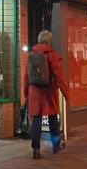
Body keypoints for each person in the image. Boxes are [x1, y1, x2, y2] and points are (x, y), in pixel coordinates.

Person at [24, 30, 69, 159]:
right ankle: (55, 146)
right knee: (53, 119)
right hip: (49, 92)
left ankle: (36, 149)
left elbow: (26, 76)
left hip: (34, 92)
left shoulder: (31, 55)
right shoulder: (53, 55)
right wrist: (66, 94)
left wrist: (25, 92)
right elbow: (60, 76)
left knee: (36, 120)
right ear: (49, 41)